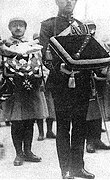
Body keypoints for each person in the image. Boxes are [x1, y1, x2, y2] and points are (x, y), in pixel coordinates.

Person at [40, 0, 95, 179]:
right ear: (57, 2)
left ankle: (78, 167)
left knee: (80, 126)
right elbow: (45, 56)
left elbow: (89, 51)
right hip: (61, 83)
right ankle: (65, 169)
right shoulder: (49, 26)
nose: (69, 2)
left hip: (82, 83)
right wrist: (59, 67)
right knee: (64, 127)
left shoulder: (81, 26)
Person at [2, 17, 47, 166]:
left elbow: (40, 63)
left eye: (21, 25)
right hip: (14, 88)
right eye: (15, 26)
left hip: (31, 87)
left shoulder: (32, 45)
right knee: (17, 122)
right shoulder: (5, 46)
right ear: (10, 28)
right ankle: (18, 153)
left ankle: (28, 151)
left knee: (30, 120)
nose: (18, 28)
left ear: (25, 28)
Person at [84, 21, 110, 153]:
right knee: (89, 112)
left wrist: (107, 70)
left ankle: (97, 139)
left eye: (93, 27)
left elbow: (107, 57)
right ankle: (89, 141)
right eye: (88, 28)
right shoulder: (81, 43)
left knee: (98, 110)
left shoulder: (99, 42)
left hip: (99, 80)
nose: (91, 30)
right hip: (86, 80)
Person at [32, 33, 56, 141]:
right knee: (40, 108)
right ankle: (41, 132)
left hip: (49, 83)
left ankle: (49, 130)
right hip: (38, 83)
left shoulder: (48, 50)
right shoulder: (32, 52)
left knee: (50, 108)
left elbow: (50, 65)